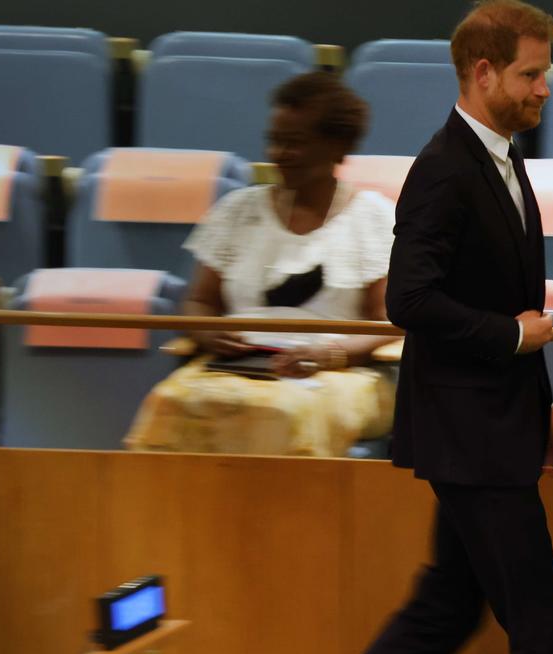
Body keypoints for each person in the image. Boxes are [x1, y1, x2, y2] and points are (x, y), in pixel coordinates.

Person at [308, 2, 553, 654]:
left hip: (493, 426)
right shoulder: (443, 169)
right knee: (543, 630)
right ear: (483, 73)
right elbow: (410, 300)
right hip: (471, 437)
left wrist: (542, 402)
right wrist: (511, 340)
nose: (543, 88)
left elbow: (518, 299)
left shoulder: (499, 160)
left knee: (443, 612)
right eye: (530, 74)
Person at [126, 72, 397, 457]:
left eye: (295, 143)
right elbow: (199, 302)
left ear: (338, 148)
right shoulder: (237, 210)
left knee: (283, 412)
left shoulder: (374, 217)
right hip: (241, 366)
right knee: (168, 403)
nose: (279, 154)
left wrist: (331, 355)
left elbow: (389, 320)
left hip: (338, 372)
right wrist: (207, 334)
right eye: (275, 141)